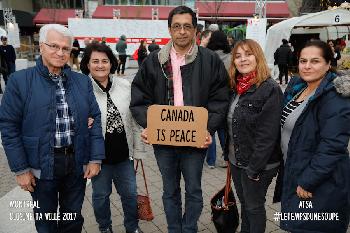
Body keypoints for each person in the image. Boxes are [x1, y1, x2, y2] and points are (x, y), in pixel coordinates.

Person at [130, 6, 229, 233]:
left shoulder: (210, 60)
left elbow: (219, 99)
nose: (182, 31)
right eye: (177, 26)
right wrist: (149, 125)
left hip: (195, 139)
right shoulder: (154, 61)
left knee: (193, 189)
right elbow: (139, 98)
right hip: (164, 142)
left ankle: (189, 228)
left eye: (187, 26)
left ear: (195, 30)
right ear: (169, 30)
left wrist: (208, 129)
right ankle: (175, 229)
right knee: (169, 191)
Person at [0, 24, 105, 233]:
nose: (60, 52)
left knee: (72, 219)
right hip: (41, 167)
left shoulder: (82, 81)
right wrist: (20, 169)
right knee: (45, 222)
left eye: (66, 48)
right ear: (41, 47)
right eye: (54, 46)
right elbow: (9, 127)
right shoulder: (19, 81)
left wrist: (95, 158)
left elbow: (95, 118)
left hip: (76, 164)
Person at [280, 40, 350, 233]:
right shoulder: (299, 88)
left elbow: (332, 145)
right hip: (297, 171)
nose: (307, 66)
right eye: (303, 61)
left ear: (328, 64)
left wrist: (309, 180)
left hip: (320, 181)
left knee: (312, 228)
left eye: (315, 61)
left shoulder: (334, 96)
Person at [80, 42, 146, 233]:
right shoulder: (82, 89)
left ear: (111, 63)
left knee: (130, 195)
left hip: (124, 156)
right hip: (98, 158)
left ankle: (132, 227)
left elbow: (133, 120)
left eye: (105, 61)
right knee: (100, 197)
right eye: (95, 61)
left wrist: (138, 151)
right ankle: (105, 228)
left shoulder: (124, 85)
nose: (100, 65)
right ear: (87, 64)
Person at [225, 39, 283, 233]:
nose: (243, 60)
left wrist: (253, 169)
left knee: (254, 206)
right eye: (238, 56)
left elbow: (267, 135)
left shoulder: (269, 89)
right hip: (236, 160)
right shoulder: (235, 87)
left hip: (259, 164)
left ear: (257, 56)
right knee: (245, 203)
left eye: (248, 54)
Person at [206, 30, 232, 168]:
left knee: (209, 129)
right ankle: (227, 158)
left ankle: (210, 161)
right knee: (223, 130)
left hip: (208, 99)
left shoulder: (206, 56)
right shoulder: (231, 57)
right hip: (225, 98)